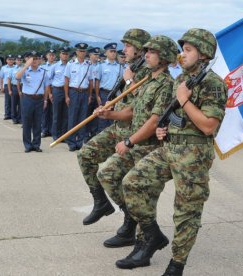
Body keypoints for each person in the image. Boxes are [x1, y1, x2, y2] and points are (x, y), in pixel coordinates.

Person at [117, 28, 226, 275]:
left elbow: (208, 126)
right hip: (170, 148)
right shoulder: (180, 81)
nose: (182, 55)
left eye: (188, 50)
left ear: (204, 54)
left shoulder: (213, 84)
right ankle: (152, 234)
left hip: (193, 156)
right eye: (183, 50)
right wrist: (162, 130)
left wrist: (184, 99)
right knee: (133, 182)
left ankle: (177, 264)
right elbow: (176, 117)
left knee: (186, 212)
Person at [95, 34, 176, 254]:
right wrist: (108, 115)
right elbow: (132, 111)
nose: (146, 55)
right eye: (146, 51)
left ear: (164, 57)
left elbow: (153, 121)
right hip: (137, 144)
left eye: (152, 52)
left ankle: (143, 245)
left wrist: (129, 141)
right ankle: (135, 223)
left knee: (143, 195)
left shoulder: (167, 84)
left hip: (149, 146)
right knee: (108, 175)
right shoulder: (148, 79)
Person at [15, 51, 50, 152]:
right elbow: (17, 77)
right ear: (28, 60)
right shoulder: (25, 71)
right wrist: (26, 66)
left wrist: (45, 100)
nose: (34, 61)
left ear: (39, 60)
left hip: (39, 99)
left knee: (38, 123)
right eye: (32, 59)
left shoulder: (43, 72)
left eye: (36, 59)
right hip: (27, 99)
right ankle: (27, 145)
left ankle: (36, 145)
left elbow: (47, 87)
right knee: (27, 123)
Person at [64, 43, 94, 151]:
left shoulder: (88, 65)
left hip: (85, 93)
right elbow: (66, 80)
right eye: (80, 51)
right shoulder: (70, 64)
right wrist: (67, 96)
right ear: (76, 52)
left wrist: (90, 95)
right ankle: (71, 142)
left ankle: (80, 142)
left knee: (83, 118)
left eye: (84, 51)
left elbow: (91, 81)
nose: (82, 53)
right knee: (72, 118)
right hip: (73, 92)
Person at [95, 42, 124, 132]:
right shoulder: (101, 66)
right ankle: (100, 139)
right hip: (104, 93)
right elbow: (97, 82)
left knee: (113, 117)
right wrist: (97, 96)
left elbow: (122, 82)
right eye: (111, 51)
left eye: (114, 51)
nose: (113, 53)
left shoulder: (120, 67)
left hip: (115, 94)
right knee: (103, 117)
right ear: (106, 53)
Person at [49, 46, 71, 141]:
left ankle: (63, 135)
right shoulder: (54, 66)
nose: (65, 56)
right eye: (63, 54)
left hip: (68, 91)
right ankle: (56, 135)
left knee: (66, 115)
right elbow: (48, 81)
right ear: (60, 54)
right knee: (56, 114)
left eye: (66, 54)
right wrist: (50, 93)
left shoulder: (71, 65)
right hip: (57, 90)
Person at [85, 47, 101, 141]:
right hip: (88, 92)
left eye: (97, 54)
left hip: (98, 91)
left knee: (96, 114)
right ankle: (86, 134)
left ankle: (93, 133)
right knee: (87, 114)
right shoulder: (87, 65)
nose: (96, 56)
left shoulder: (100, 66)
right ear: (90, 55)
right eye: (95, 54)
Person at [40, 49, 56, 138]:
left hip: (55, 89)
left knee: (54, 111)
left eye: (53, 55)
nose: (52, 57)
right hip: (45, 90)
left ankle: (52, 130)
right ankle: (44, 130)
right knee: (45, 111)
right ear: (46, 56)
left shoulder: (57, 66)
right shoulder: (42, 67)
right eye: (50, 55)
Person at [6, 54, 23, 124]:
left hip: (23, 87)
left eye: (20, 60)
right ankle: (14, 117)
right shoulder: (12, 69)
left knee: (21, 104)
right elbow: (9, 80)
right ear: (15, 61)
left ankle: (20, 118)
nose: (19, 61)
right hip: (14, 87)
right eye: (18, 60)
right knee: (14, 103)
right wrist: (9, 90)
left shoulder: (24, 68)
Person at [0, 54, 15, 120]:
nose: (10, 61)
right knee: (7, 101)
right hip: (6, 85)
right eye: (9, 59)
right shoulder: (3, 68)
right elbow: (1, 78)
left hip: (14, 85)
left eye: (12, 59)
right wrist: (1, 87)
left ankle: (13, 114)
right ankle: (7, 114)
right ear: (6, 60)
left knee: (14, 101)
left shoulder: (16, 67)